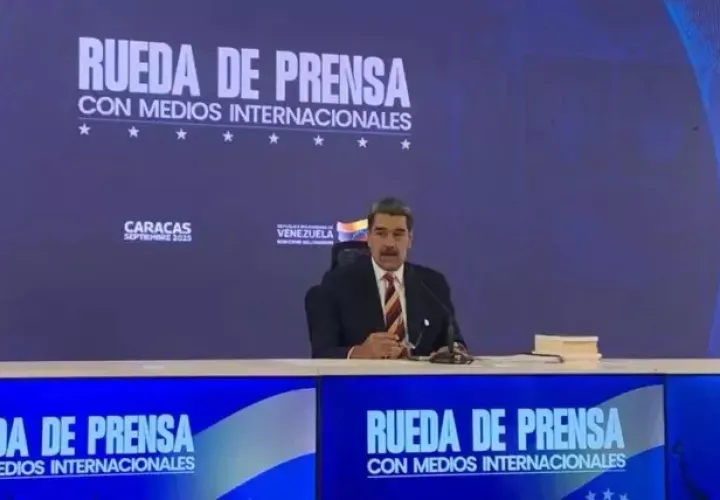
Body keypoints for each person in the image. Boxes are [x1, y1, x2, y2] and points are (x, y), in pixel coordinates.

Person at [310, 197, 467, 359]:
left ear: (410, 240)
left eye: (398, 234)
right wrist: (359, 352)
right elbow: (322, 352)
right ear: (369, 238)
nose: (390, 243)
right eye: (381, 233)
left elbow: (454, 341)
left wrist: (453, 350)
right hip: (366, 375)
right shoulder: (337, 284)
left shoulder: (432, 284)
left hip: (418, 375)